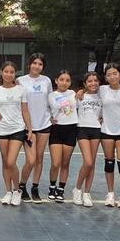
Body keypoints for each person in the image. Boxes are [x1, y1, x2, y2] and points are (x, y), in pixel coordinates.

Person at [0, 62, 34, 206]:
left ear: (15, 74)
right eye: (6, 71)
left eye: (11, 72)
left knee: (11, 162)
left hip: (17, 129)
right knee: (5, 162)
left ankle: (17, 190)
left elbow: (25, 110)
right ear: (2, 72)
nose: (8, 74)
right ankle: (8, 191)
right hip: (2, 129)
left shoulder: (21, 89)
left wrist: (29, 128)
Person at [16, 53, 50, 204]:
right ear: (29, 64)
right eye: (34, 63)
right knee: (31, 160)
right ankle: (22, 185)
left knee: (40, 158)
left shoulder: (46, 80)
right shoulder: (20, 81)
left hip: (44, 124)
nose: (37, 66)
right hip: (28, 126)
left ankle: (35, 187)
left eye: (40, 64)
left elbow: (52, 99)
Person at [98, 63, 120, 208]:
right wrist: (80, 92)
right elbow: (88, 92)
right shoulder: (102, 89)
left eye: (115, 73)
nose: (112, 77)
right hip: (107, 130)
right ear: (106, 77)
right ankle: (110, 193)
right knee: (109, 163)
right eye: (109, 75)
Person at [48, 70, 78, 204]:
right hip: (56, 129)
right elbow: (45, 110)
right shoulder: (51, 95)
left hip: (71, 129)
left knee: (65, 163)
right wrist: (49, 118)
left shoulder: (74, 94)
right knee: (55, 163)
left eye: (67, 80)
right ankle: (52, 187)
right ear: (56, 81)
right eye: (61, 79)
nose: (64, 82)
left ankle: (61, 189)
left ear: (70, 82)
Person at [73, 72, 102, 207]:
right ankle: (77, 189)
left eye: (95, 80)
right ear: (84, 84)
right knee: (88, 162)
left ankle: (87, 193)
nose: (93, 83)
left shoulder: (102, 95)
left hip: (96, 129)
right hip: (82, 129)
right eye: (89, 81)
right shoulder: (80, 96)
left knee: (93, 163)